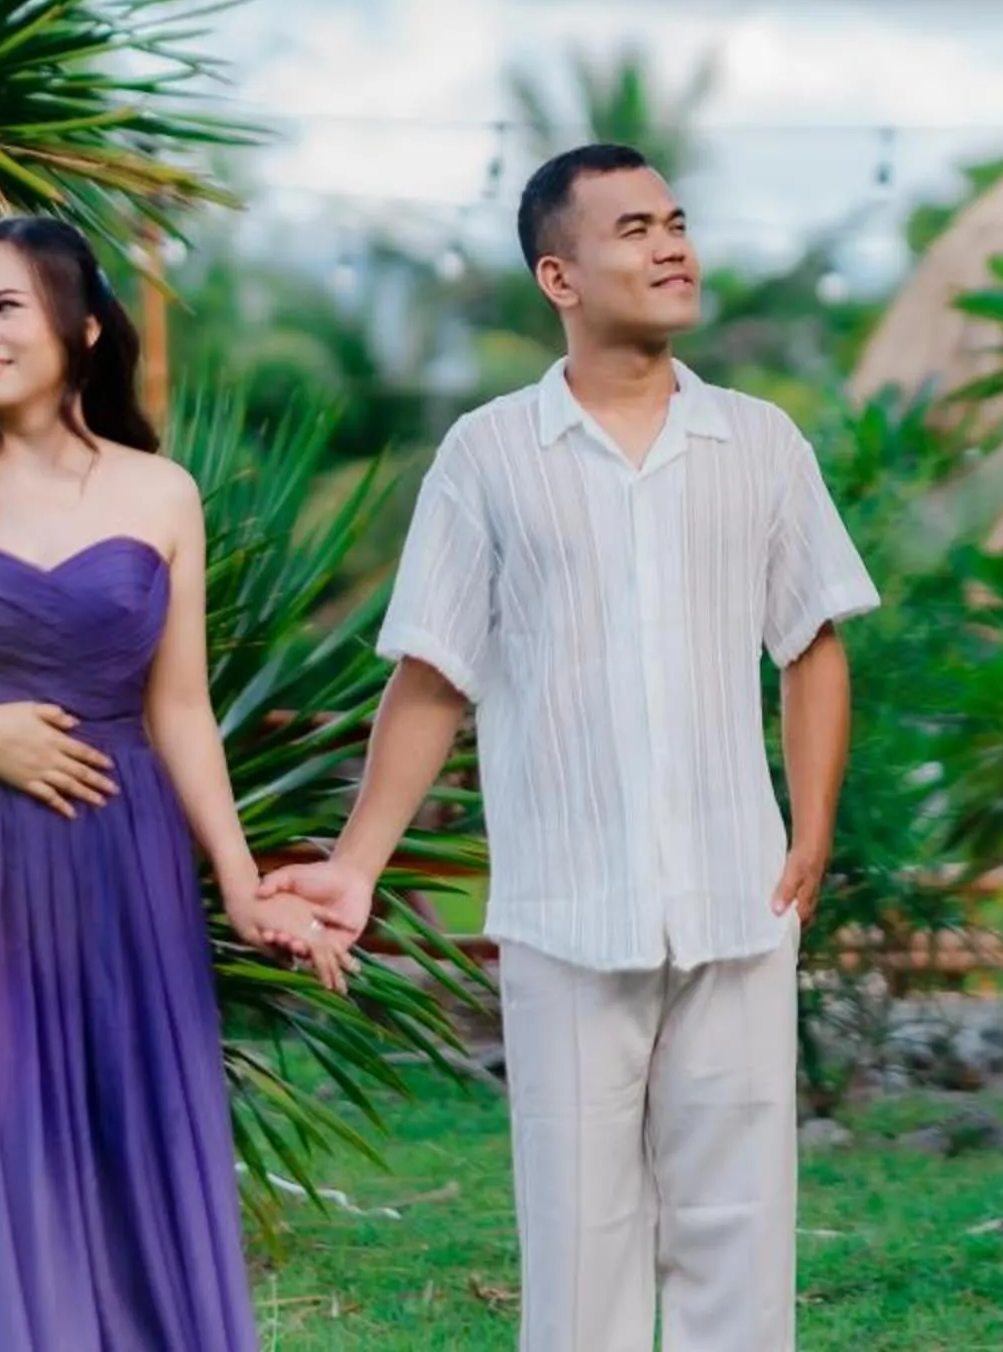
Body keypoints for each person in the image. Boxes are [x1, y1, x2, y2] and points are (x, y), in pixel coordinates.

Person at [264, 145, 878, 1352]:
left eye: (678, 220)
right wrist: (356, 864)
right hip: (563, 906)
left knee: (739, 1229)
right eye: (634, 228)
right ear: (559, 273)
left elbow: (811, 642)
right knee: (580, 1238)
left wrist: (809, 827)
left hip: (736, 895)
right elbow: (434, 672)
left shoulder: (762, 443)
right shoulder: (487, 456)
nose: (672, 246)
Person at [0, 213, 339, 1352]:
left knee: (110, 1133)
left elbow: (179, 706)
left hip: (115, 863)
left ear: (83, 328)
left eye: (4, 306)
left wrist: (240, 878)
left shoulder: (160, 492)